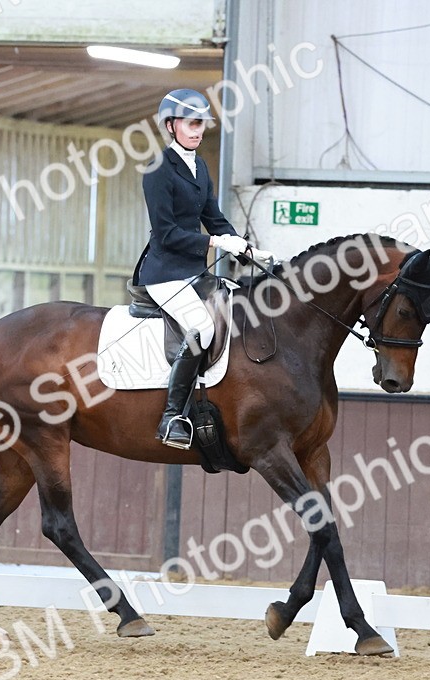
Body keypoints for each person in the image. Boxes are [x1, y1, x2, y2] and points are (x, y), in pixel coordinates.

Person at [138, 88, 268, 448]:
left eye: (202, 125)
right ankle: (171, 417)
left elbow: (213, 217)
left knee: (239, 308)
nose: (198, 131)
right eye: (192, 124)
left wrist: (245, 248)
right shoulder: (158, 170)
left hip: (195, 273)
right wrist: (214, 243)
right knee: (202, 326)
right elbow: (166, 233)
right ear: (171, 125)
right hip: (164, 273)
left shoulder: (200, 167)